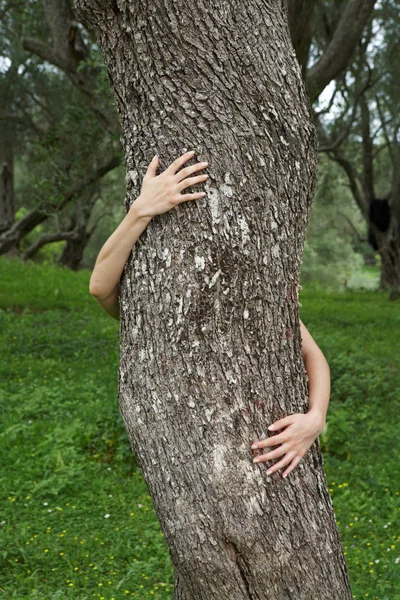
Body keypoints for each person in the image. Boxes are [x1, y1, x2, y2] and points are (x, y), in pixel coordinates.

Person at [89, 150, 330, 479]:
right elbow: (101, 287)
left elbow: (313, 355)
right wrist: (141, 211)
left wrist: (316, 418)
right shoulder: (159, 305)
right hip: (186, 455)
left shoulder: (254, 303)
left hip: (263, 455)